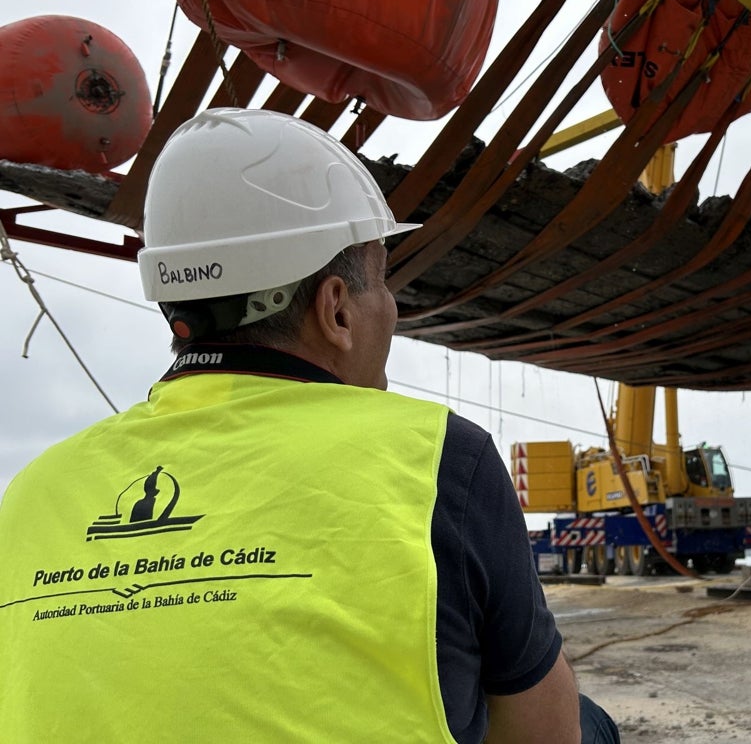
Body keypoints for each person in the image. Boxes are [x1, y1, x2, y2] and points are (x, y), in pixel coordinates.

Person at [0, 108, 619, 743]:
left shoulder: (31, 492)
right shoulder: (437, 458)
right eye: (381, 281)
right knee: (587, 721)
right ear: (336, 310)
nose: (393, 309)